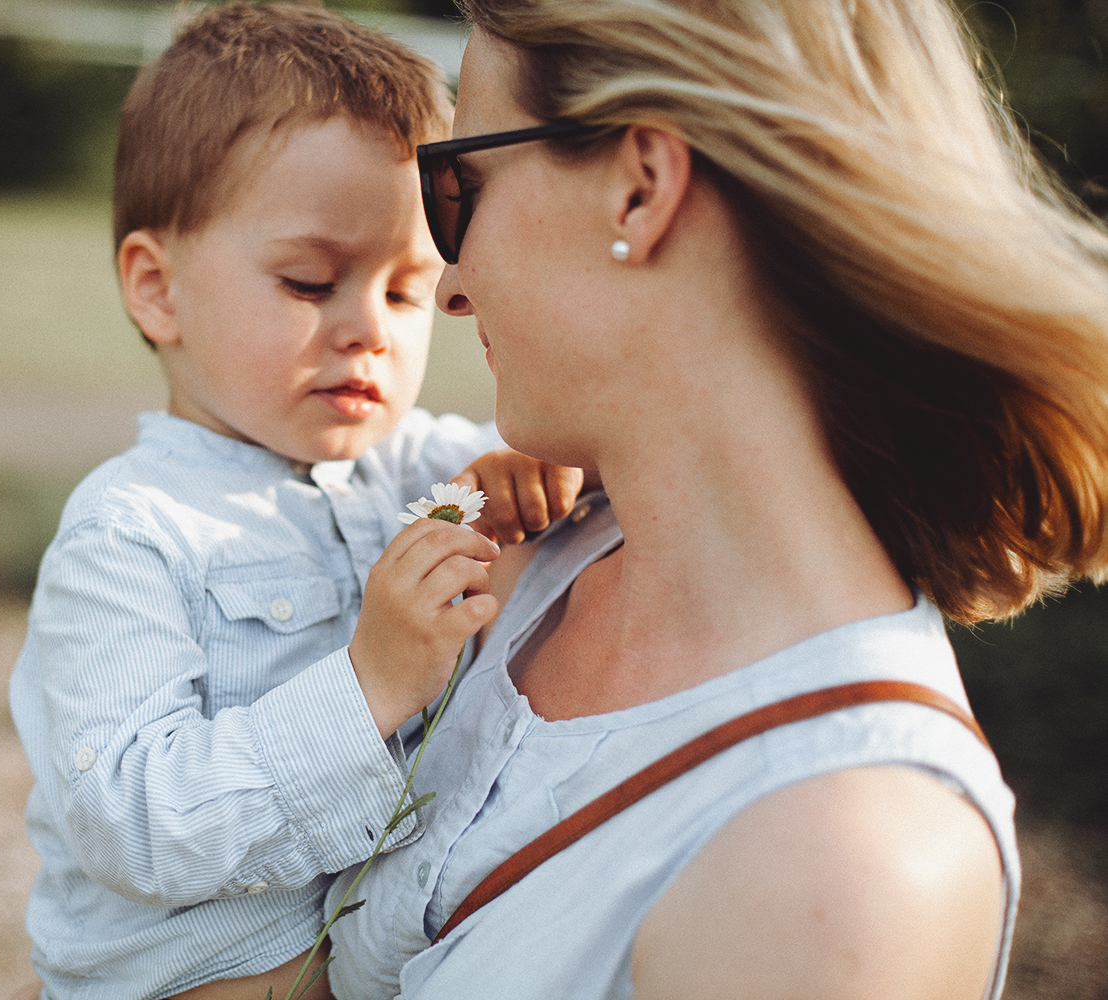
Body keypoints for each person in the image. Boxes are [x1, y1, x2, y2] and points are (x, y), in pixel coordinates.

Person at [327, 0, 1108, 997]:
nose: (451, 282)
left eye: (458, 187)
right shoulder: (520, 558)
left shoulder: (839, 867)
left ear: (640, 189)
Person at [7, 5, 582, 999]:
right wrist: (367, 689)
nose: (369, 328)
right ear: (158, 290)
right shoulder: (131, 532)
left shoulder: (405, 466)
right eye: (311, 279)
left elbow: (523, 465)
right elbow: (128, 818)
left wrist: (519, 470)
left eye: (407, 292)